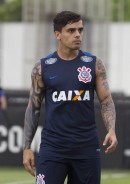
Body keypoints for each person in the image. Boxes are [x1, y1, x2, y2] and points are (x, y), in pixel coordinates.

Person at [23, 11, 118, 184]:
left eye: (80, 30)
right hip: (53, 148)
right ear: (57, 34)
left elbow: (106, 100)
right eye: (71, 30)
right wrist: (27, 147)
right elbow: (33, 108)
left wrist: (111, 129)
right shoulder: (42, 68)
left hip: (86, 147)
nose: (78, 35)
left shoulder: (94, 64)